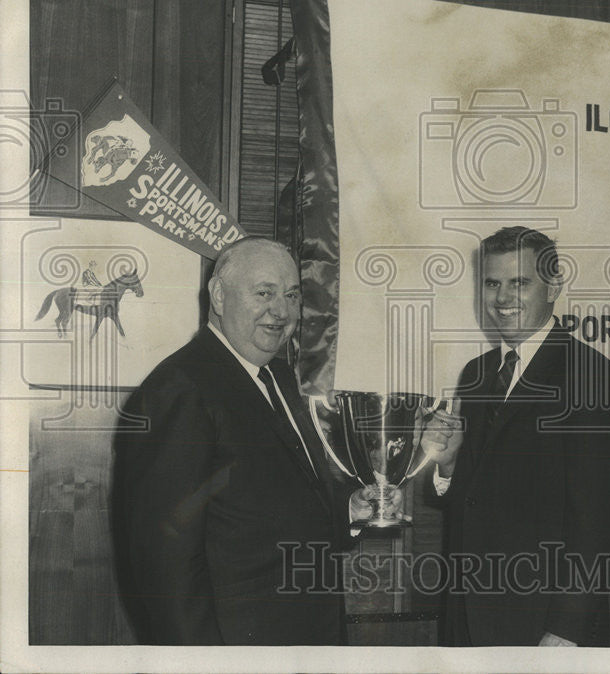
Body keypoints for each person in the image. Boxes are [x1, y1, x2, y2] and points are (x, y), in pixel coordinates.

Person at [112, 237, 398, 644]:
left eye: (292, 295)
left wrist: (349, 508)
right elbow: (164, 569)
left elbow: (273, 509)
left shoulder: (279, 377)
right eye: (264, 293)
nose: (281, 311)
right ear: (219, 295)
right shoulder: (178, 390)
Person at [422, 227, 610, 646]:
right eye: (492, 283)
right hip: (468, 618)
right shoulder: (476, 375)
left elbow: (601, 523)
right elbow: (472, 500)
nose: (502, 299)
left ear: (554, 286)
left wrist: (566, 630)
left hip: (545, 628)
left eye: (520, 283)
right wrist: (448, 466)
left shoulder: (592, 378)